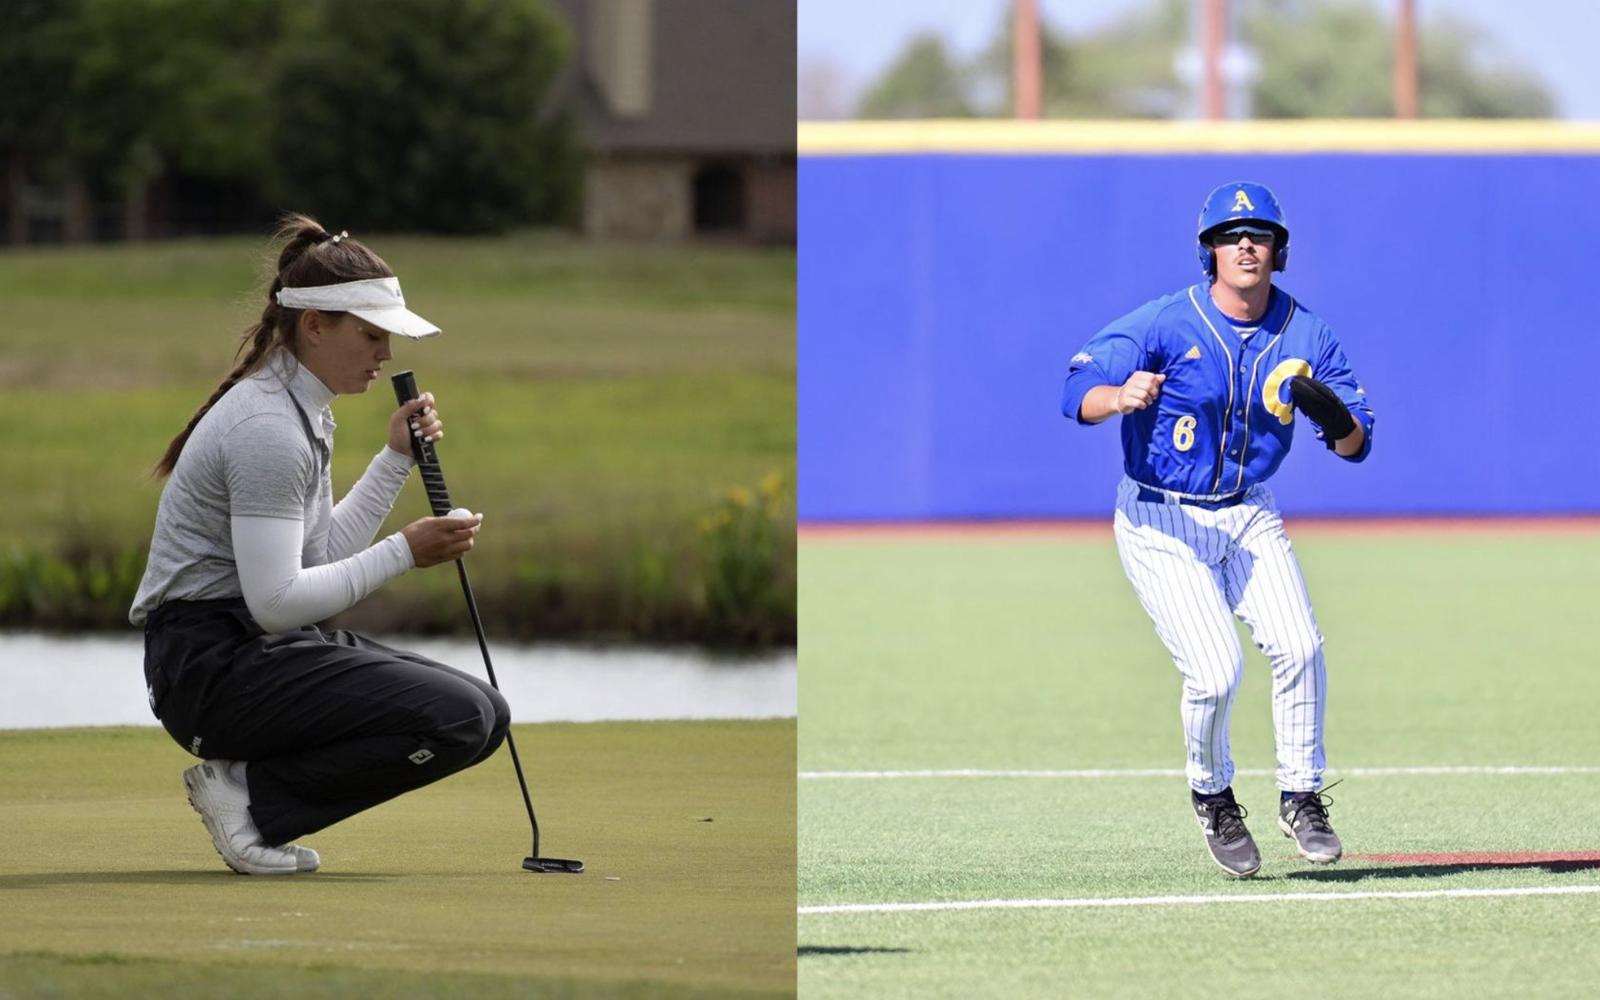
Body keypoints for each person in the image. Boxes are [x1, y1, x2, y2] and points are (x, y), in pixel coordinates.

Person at [130, 215, 507, 875]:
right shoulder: (269, 426)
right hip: (209, 668)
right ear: (314, 326)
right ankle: (249, 802)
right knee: (457, 720)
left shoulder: (301, 410)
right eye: (370, 335)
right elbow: (278, 602)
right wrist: (405, 552)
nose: (383, 354)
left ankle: (252, 793)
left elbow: (317, 559)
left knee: (485, 715)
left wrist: (393, 461)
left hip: (250, 651)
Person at [1059, 182, 1374, 878]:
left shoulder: (1307, 334)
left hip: (1247, 508)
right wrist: (1117, 397)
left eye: (1258, 234)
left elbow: (1358, 445)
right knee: (1215, 672)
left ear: (1278, 250)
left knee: (1300, 646)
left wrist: (1336, 422)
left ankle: (1302, 794)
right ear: (1209, 252)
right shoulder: (1167, 322)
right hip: (1159, 516)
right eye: (1230, 235)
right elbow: (1073, 390)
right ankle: (1213, 795)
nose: (1245, 245)